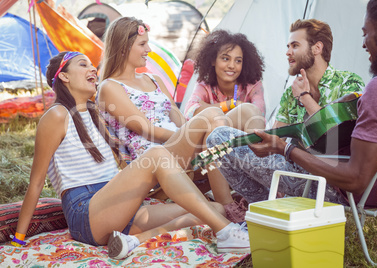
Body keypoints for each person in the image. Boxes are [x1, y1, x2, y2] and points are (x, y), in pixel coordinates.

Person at [10, 51, 251, 260]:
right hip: (87, 213)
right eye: (82, 64)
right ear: (64, 76)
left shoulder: (94, 116)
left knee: (213, 209)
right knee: (156, 155)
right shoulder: (56, 116)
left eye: (92, 64)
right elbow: (36, 182)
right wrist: (19, 238)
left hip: (118, 208)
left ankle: (134, 241)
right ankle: (228, 232)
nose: (93, 68)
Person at [206, 0, 377, 209]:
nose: (363, 43)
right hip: (343, 179)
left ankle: (265, 213)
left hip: (334, 187)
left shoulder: (364, 86)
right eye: (288, 46)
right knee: (234, 139)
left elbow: (353, 173)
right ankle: (264, 214)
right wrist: (275, 145)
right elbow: (277, 135)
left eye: (295, 46)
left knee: (218, 138)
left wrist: (288, 146)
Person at [97, 17, 247, 223]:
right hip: (153, 158)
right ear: (123, 48)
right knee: (211, 117)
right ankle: (227, 205)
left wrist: (194, 133)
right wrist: (193, 134)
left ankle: (256, 192)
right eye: (142, 44)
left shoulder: (153, 80)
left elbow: (180, 119)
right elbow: (145, 129)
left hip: (179, 147)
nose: (148, 49)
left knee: (246, 111)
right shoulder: (110, 87)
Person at [274, 19, 365, 129]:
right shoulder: (290, 93)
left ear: (317, 48)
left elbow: (339, 134)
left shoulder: (349, 82)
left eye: (295, 45)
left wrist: (304, 97)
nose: (288, 52)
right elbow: (274, 139)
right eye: (288, 46)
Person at [184, 29, 266, 132]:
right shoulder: (204, 85)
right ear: (213, 60)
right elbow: (189, 112)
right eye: (226, 59)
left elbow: (258, 117)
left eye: (238, 61)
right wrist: (231, 104)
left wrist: (208, 108)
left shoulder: (253, 86)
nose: (232, 66)